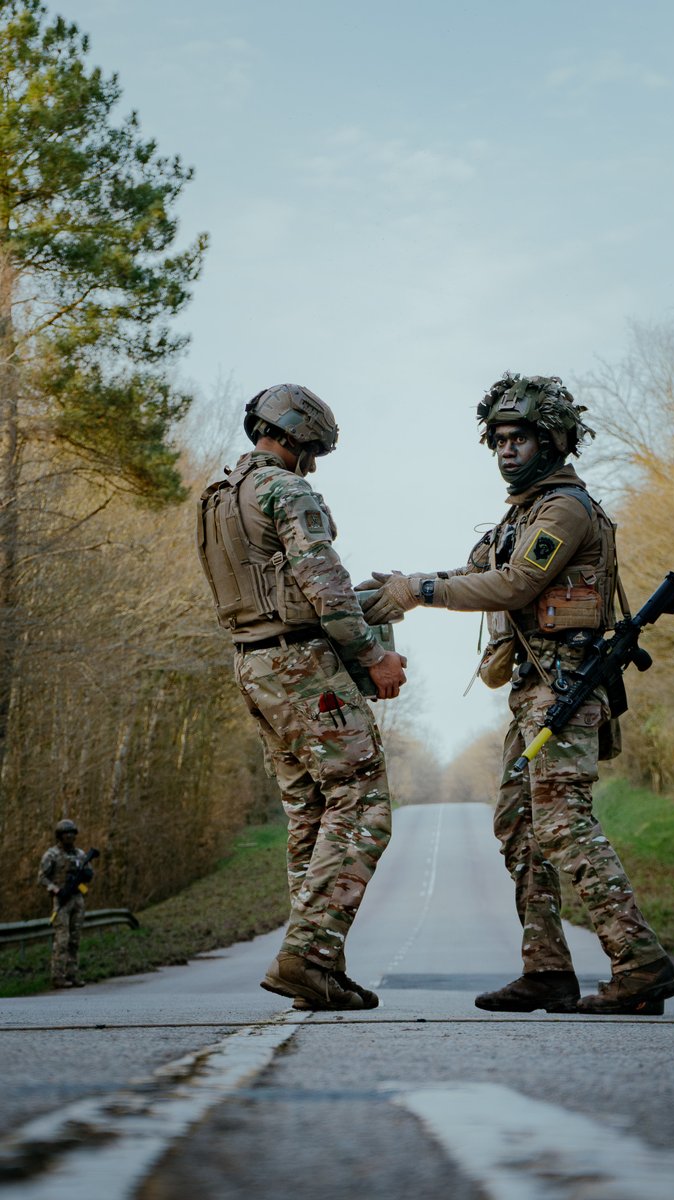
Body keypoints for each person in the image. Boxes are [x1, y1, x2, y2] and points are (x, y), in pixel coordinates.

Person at [362, 373, 674, 1015]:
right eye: (499, 440)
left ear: (554, 441)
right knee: (520, 826)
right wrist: (389, 592)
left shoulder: (565, 509)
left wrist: (420, 591)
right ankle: (546, 970)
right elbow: (472, 574)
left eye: (521, 439)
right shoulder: (520, 515)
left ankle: (640, 964)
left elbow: (512, 585)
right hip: (533, 690)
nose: (507, 451)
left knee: (565, 825)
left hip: (566, 688)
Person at [197, 384, 407, 1012]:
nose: (312, 463)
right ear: (297, 435)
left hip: (251, 665)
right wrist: (376, 657)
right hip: (298, 664)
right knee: (363, 798)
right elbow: (328, 589)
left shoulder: (216, 500)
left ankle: (322, 968)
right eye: (312, 449)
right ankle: (308, 955)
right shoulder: (285, 490)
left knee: (311, 812)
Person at [38, 818, 93, 989]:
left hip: (78, 898)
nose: (69, 836)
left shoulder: (80, 855)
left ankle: (73, 974)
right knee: (62, 939)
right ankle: (58, 976)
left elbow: (90, 873)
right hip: (62, 899)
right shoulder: (51, 855)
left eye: (72, 833)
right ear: (59, 836)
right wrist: (55, 889)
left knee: (75, 940)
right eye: (66, 833)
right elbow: (41, 878)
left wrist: (87, 875)